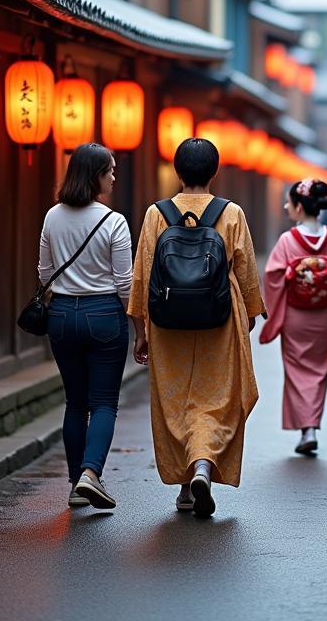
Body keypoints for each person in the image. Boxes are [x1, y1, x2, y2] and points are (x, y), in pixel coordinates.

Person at [128, 137, 265, 518]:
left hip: (168, 323)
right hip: (219, 322)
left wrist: (140, 330)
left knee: (176, 403)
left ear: (177, 171)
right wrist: (249, 314)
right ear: (214, 171)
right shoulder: (231, 213)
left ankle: (187, 484)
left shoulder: (157, 214)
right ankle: (205, 464)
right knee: (216, 400)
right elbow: (246, 272)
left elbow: (142, 275)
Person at [40, 142, 133, 511]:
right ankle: (91, 474)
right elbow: (124, 282)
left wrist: (63, 298)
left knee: (75, 402)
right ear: (95, 175)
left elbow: (44, 273)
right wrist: (137, 323)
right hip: (104, 314)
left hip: (61, 314)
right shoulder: (113, 221)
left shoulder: (52, 216)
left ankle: (74, 481)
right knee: (104, 402)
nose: (114, 176)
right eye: (109, 170)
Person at [260, 179, 327, 455]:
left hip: (296, 315)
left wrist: (279, 294)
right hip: (323, 316)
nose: (286, 207)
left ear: (298, 206)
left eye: (289, 202)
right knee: (319, 372)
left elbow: (272, 276)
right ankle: (311, 426)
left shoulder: (288, 240)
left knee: (297, 372)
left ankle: (305, 429)